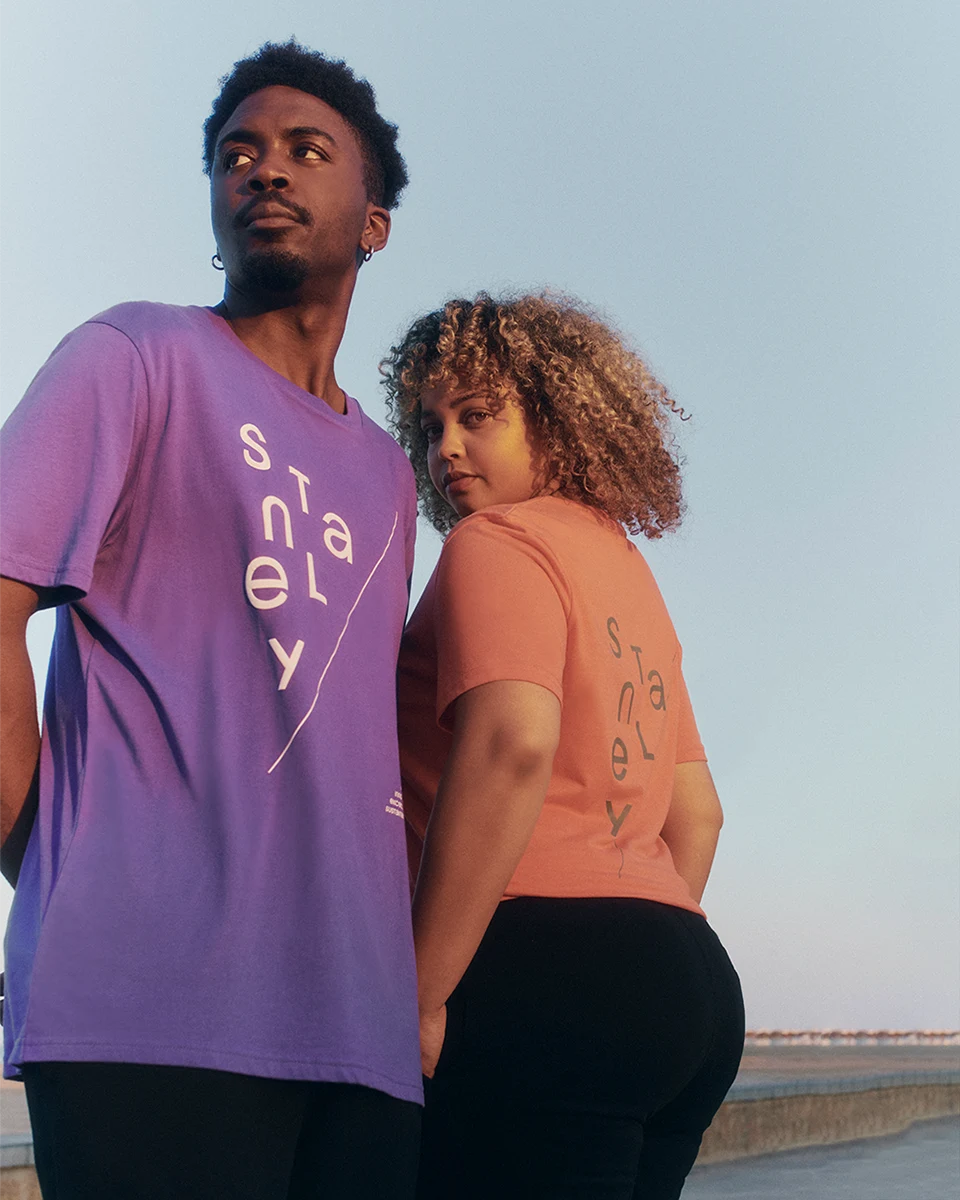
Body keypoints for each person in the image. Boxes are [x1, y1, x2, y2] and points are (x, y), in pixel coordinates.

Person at [0, 41, 422, 1200]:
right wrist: (40, 854)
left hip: (359, 1021)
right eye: (238, 153)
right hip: (147, 1010)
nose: (264, 169)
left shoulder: (392, 477)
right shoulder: (134, 356)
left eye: (305, 149)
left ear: (373, 221)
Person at [382, 293, 745, 1200]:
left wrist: (418, 997)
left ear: (558, 417)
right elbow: (696, 813)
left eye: (477, 416)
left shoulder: (493, 544)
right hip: (689, 983)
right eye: (430, 427)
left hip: (532, 966)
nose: (446, 450)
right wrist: (631, 963)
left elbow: (512, 743)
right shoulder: (622, 567)